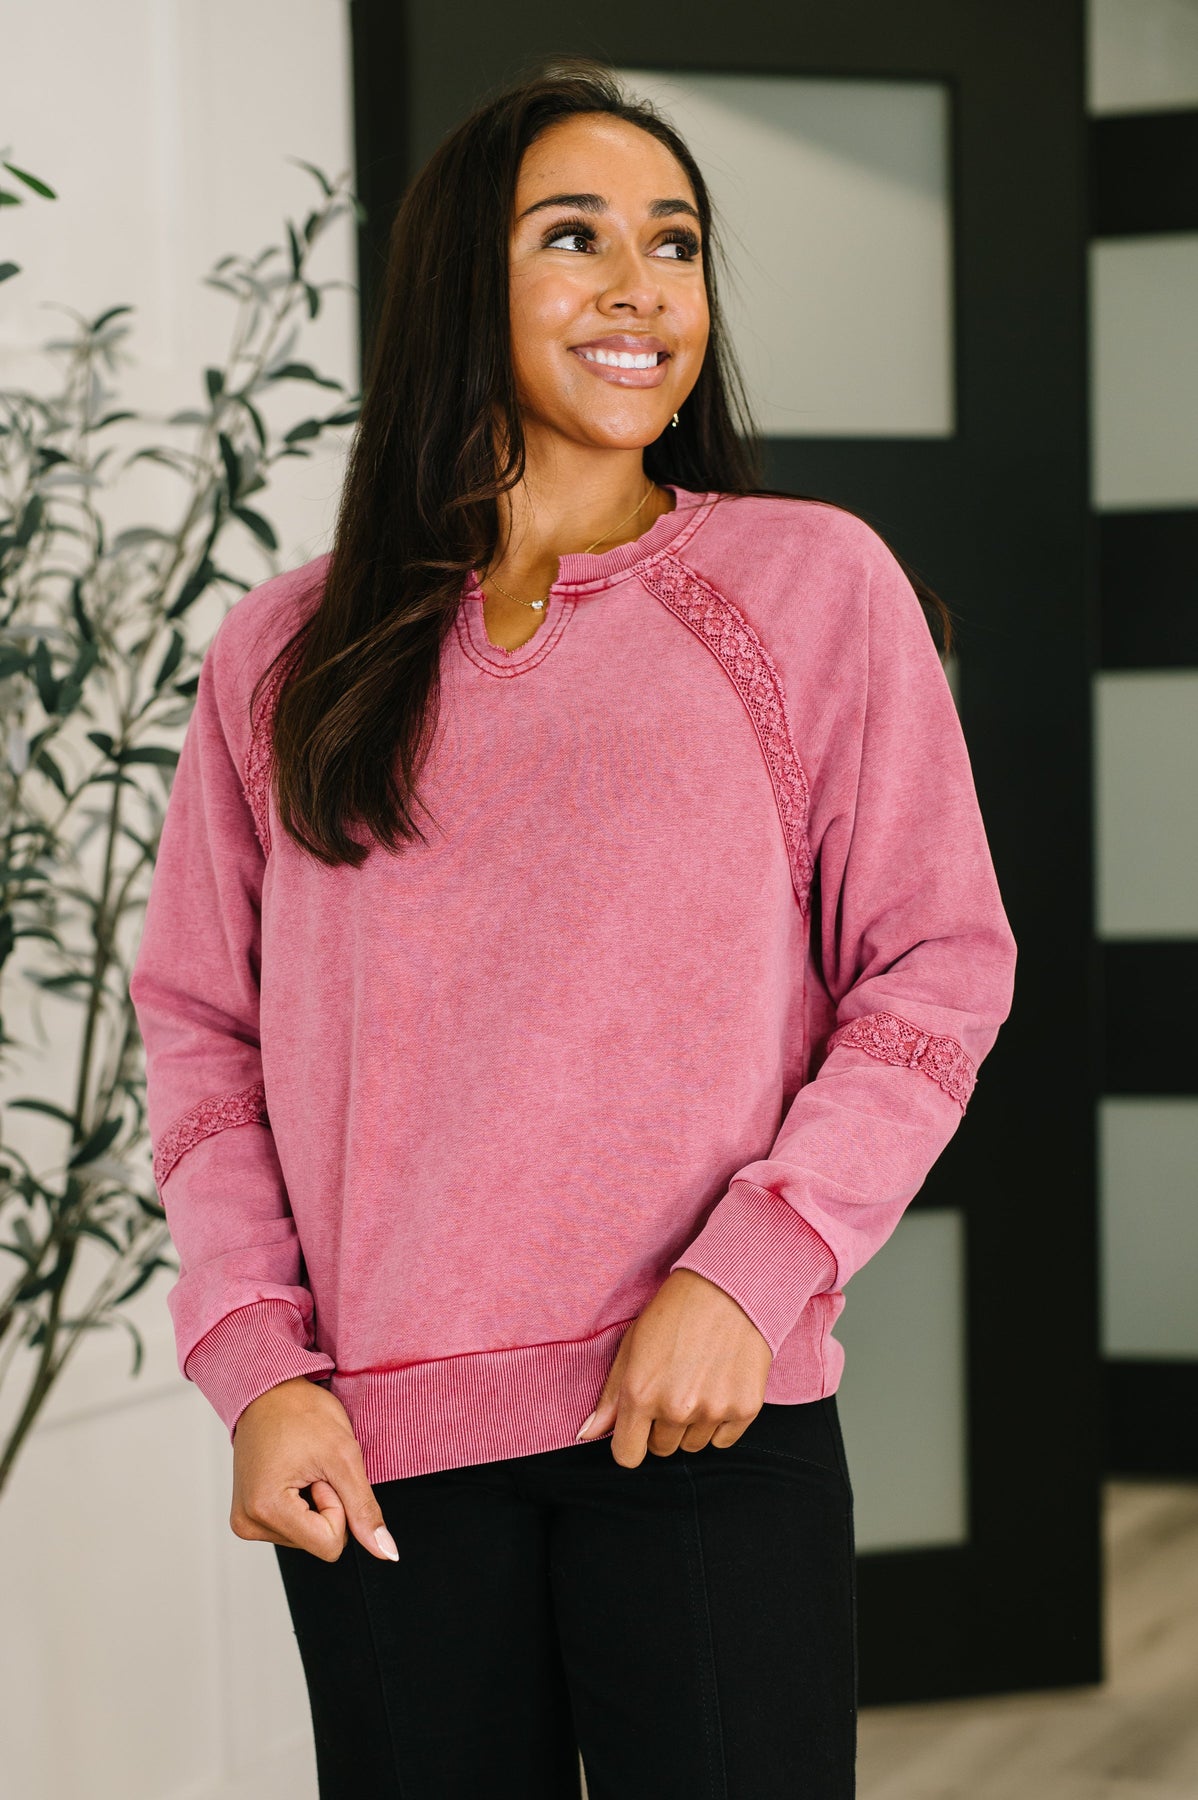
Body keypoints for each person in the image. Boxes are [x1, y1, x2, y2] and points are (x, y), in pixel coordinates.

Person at [129, 56, 1018, 1800]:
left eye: (673, 244)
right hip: (375, 1449)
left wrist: (750, 1273)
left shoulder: (808, 584)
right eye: (575, 237)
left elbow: (933, 970)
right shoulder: (285, 652)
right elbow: (203, 1037)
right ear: (464, 281)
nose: (641, 289)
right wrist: (256, 1366)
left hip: (702, 1406)